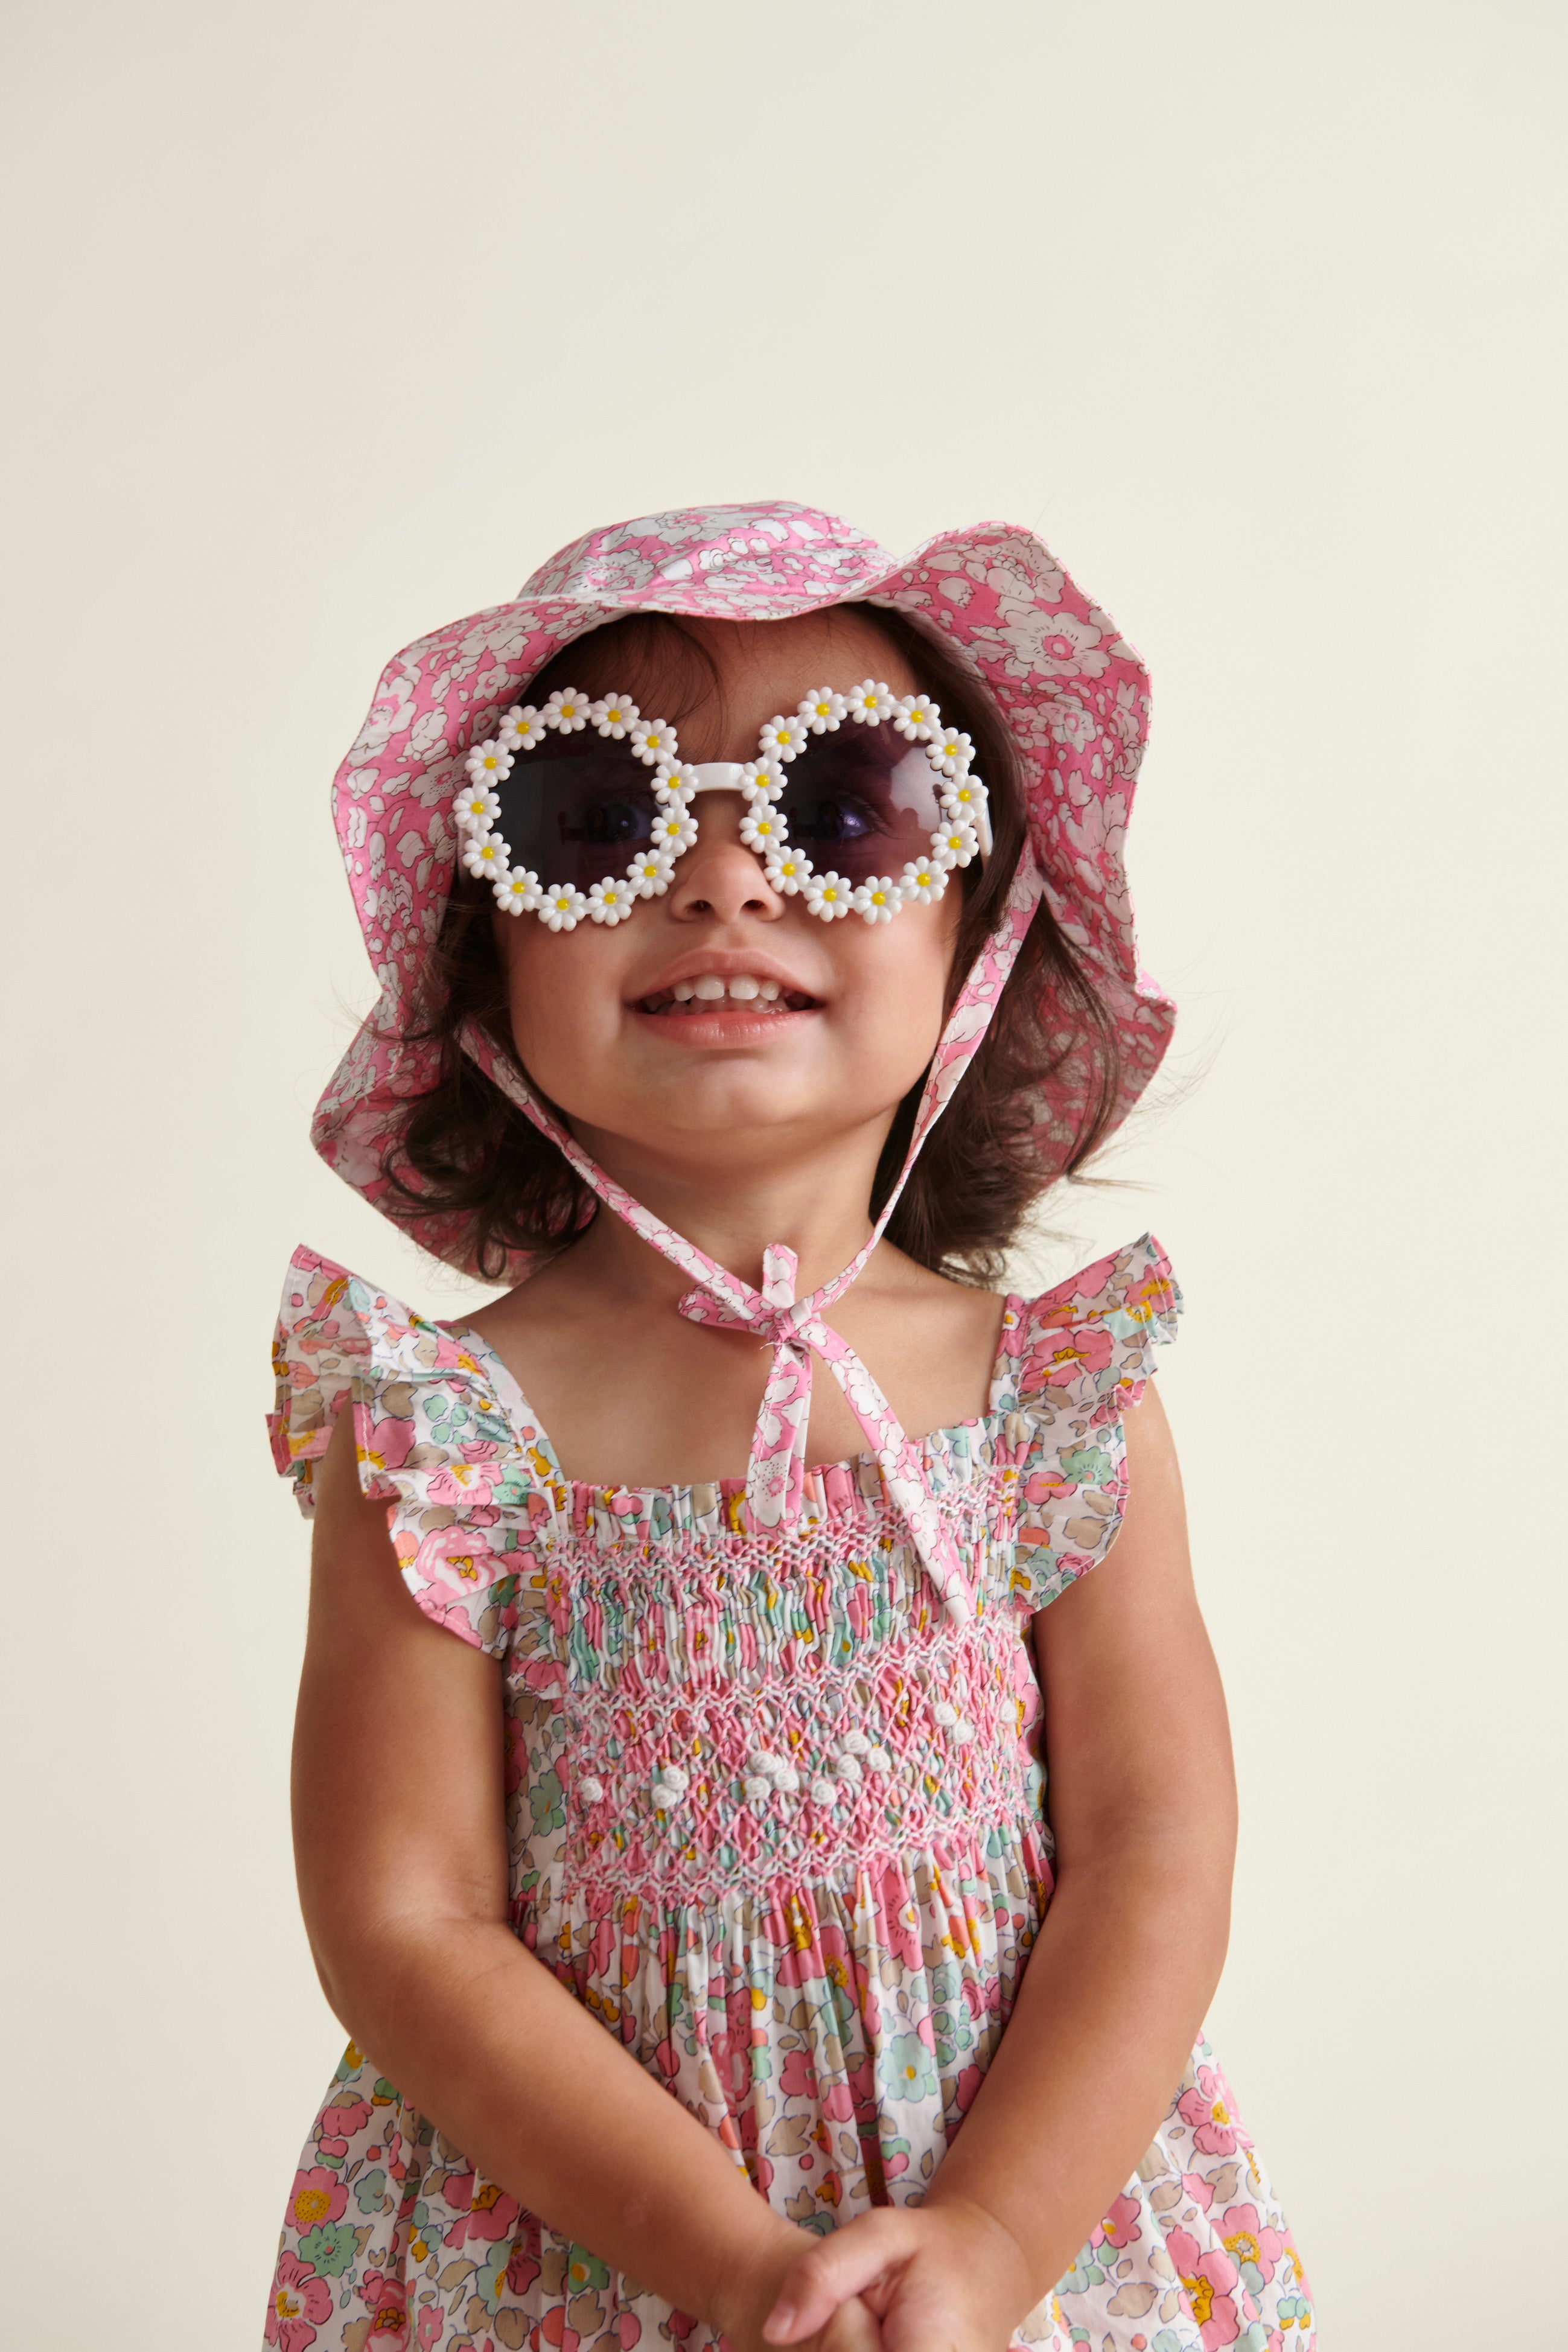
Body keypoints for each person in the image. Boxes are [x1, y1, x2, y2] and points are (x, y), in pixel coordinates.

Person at [264, 502, 1314, 2352]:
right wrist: (739, 2265)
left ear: (978, 930)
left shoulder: (1052, 1401)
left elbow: (1158, 1848)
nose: (726, 877)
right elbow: (407, 1924)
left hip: (1018, 2247)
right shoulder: (444, 1439)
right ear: (486, 945)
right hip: (590, 2261)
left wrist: (993, 2235)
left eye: (845, 807)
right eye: (598, 819)